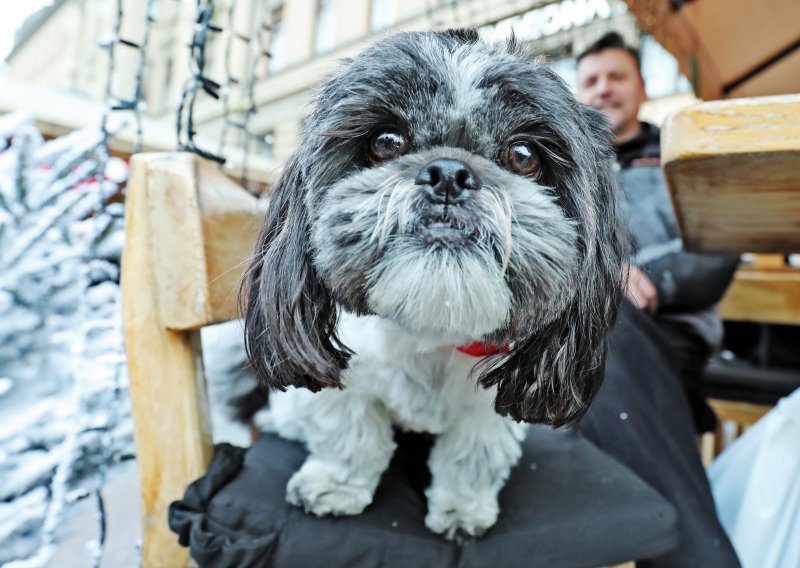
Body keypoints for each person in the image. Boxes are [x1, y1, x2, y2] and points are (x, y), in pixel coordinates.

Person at [574, 32, 741, 567]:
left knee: (605, 331)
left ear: (642, 87)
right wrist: (600, 273)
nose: (603, 90)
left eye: (616, 77)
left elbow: (714, 245)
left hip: (666, 332)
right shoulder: (560, 168)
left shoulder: (682, 154)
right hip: (569, 334)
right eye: (591, 81)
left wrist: (639, 277)